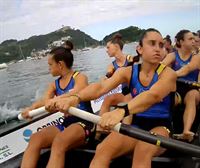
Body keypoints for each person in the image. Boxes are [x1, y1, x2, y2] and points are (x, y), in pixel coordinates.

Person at [51, 28, 177, 168]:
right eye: (152, 44)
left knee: (142, 150)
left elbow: (153, 95)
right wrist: (76, 97)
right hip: (136, 125)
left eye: (160, 45)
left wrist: (121, 111)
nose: (158, 49)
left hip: (161, 126)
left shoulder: (169, 74)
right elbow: (100, 87)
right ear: (139, 49)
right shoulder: (127, 72)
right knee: (102, 150)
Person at [21, 46, 94, 168]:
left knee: (59, 142)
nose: (48, 68)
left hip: (85, 124)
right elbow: (45, 101)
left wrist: (57, 100)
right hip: (66, 124)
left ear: (60, 65)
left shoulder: (80, 77)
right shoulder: (54, 85)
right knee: (35, 139)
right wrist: (31, 109)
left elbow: (78, 91)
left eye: (50, 64)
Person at [96, 34, 139, 138]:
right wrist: (105, 79)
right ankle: (99, 131)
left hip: (136, 92)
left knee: (128, 100)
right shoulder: (112, 66)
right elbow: (108, 75)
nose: (106, 50)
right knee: (107, 99)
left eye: (108, 47)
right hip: (124, 94)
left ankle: (122, 134)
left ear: (116, 47)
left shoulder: (131, 59)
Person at [162, 30, 200, 141]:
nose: (194, 41)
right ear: (181, 41)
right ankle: (165, 128)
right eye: (190, 39)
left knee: (192, 96)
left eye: (194, 39)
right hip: (177, 88)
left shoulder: (196, 57)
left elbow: (188, 68)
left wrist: (173, 74)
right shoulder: (172, 56)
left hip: (192, 88)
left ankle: (186, 131)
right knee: (169, 98)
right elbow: (160, 68)